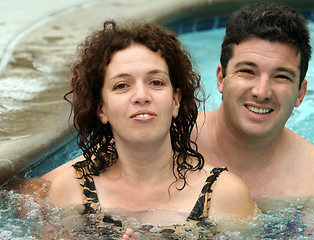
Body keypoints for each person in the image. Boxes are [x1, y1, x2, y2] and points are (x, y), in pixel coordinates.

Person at [42, 20, 258, 237]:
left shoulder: (224, 196)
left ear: (175, 101)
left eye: (156, 82)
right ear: (101, 110)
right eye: (122, 86)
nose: (141, 96)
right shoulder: (72, 192)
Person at [195, 2, 314, 201]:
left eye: (281, 77)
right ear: (221, 78)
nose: (262, 92)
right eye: (247, 71)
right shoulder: (173, 141)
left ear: (300, 93)